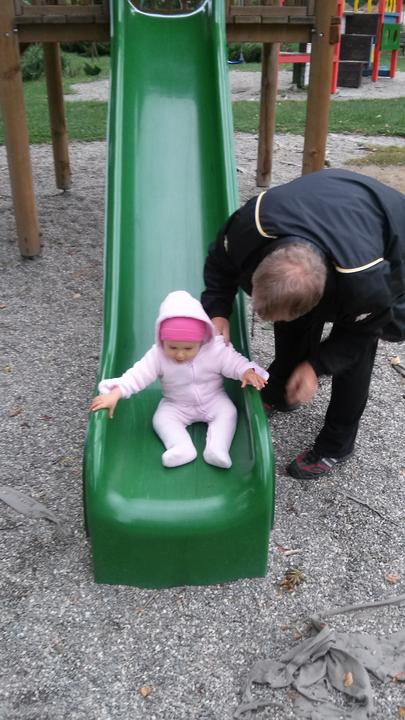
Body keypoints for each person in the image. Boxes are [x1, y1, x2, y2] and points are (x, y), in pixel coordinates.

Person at [201, 168, 405, 480]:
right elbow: (219, 262)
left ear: (319, 300)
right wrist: (217, 310)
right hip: (326, 205)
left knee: (357, 356)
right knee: (290, 326)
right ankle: (280, 390)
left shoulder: (364, 284)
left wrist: (316, 366)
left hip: (391, 234)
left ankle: (337, 444)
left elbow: (361, 334)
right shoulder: (247, 229)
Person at [90, 290, 268, 469]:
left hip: (213, 399)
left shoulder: (215, 350)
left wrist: (247, 371)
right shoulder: (158, 355)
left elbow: (234, 362)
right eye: (173, 347)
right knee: (161, 419)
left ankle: (217, 448)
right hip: (177, 404)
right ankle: (181, 447)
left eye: (188, 348)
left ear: (201, 340)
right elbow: (137, 375)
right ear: (162, 340)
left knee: (228, 412)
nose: (180, 355)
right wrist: (116, 392)